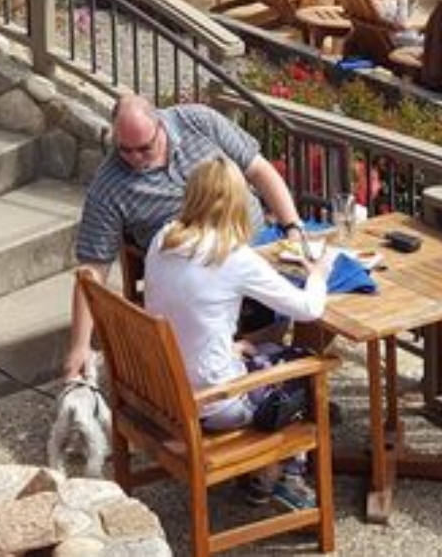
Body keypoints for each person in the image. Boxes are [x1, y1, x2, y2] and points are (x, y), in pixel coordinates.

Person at [62, 94, 301, 382]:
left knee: (335, 278)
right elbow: (92, 271)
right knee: (305, 299)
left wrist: (293, 228)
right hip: (205, 271)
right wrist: (79, 346)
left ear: (160, 125)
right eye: (125, 150)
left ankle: (279, 368)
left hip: (261, 241)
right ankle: (290, 382)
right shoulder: (109, 186)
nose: (136, 158)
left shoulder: (199, 121)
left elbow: (259, 170)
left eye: (144, 148)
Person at [144, 158, 330, 511]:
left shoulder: (161, 239)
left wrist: (230, 348)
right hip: (212, 404)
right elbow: (309, 309)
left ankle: (269, 471)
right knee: (304, 366)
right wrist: (318, 273)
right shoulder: (232, 257)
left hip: (164, 390)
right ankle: (280, 477)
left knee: (265, 348)